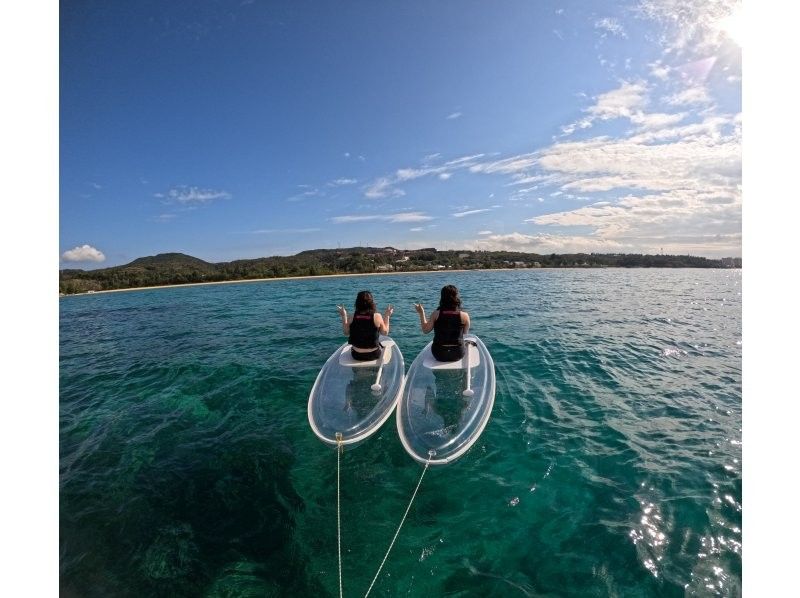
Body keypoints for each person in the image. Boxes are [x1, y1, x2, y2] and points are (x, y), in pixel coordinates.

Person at [414, 284, 471, 362]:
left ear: (442, 297)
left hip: (439, 354)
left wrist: (421, 312)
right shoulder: (465, 315)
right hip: (458, 353)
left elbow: (425, 330)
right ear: (456, 297)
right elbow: (465, 334)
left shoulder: (436, 314)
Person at [337, 291, 393, 361]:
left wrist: (343, 315)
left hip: (356, 355)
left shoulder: (352, 316)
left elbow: (346, 333)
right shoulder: (377, 316)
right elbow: (385, 333)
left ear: (357, 303)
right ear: (372, 303)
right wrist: (387, 316)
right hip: (374, 354)